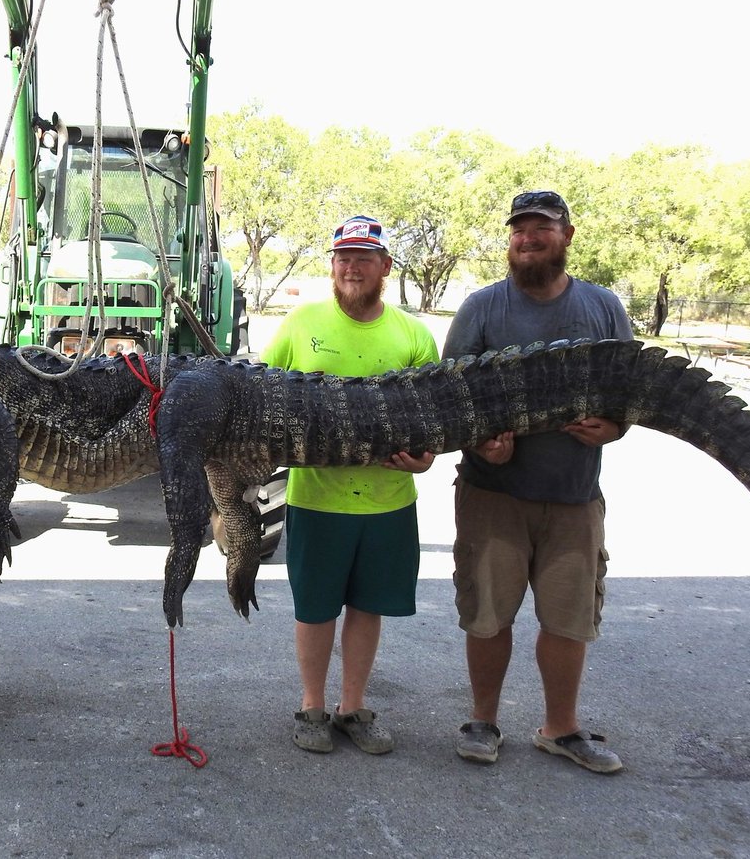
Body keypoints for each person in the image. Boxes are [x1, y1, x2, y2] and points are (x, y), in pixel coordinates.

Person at [442, 190, 633, 774]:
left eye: (541, 229)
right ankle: (482, 720)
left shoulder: (603, 307)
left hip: (574, 496)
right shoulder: (481, 308)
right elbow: (450, 398)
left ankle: (562, 728)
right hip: (493, 494)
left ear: (566, 235)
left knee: (569, 620)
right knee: (488, 614)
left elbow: (628, 391)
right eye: (519, 230)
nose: (528, 239)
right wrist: (481, 441)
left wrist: (613, 427)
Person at [261, 215, 439, 755]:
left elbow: (434, 421)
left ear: (385, 266)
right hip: (316, 501)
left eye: (364, 257)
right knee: (315, 608)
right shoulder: (298, 324)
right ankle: (312, 708)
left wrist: (423, 461)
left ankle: (352, 708)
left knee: (368, 607)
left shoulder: (413, 334)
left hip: (389, 504)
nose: (352, 267)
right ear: (332, 266)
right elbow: (262, 399)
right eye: (343, 257)